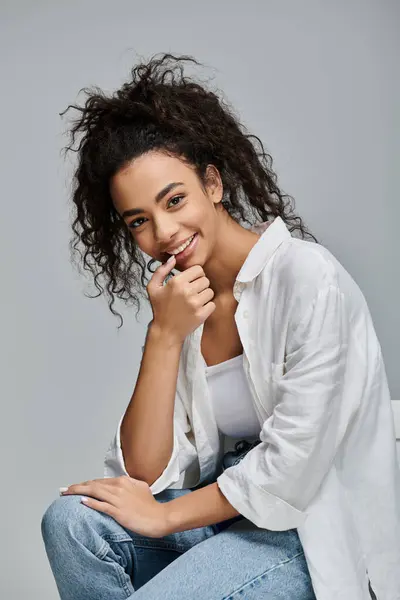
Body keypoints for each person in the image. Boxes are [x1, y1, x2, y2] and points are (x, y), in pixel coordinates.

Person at [41, 53, 399, 600]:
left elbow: (291, 473)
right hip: (221, 514)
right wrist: (162, 336)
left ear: (212, 182)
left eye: (175, 199)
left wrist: (163, 520)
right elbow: (143, 472)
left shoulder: (309, 279)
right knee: (70, 524)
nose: (163, 232)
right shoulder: (184, 301)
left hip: (307, 528)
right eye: (139, 221)